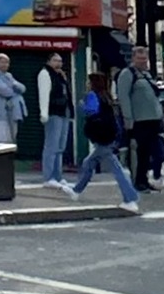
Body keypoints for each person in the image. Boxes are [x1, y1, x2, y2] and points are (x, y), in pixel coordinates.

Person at [60, 70, 140, 213]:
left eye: (88, 81)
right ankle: (76, 191)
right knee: (88, 163)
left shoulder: (92, 95)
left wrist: (81, 106)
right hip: (110, 135)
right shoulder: (106, 96)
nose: (86, 84)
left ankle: (130, 198)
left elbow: (91, 111)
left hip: (102, 138)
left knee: (116, 169)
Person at [116, 44, 164, 193]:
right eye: (140, 58)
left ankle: (145, 179)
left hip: (153, 120)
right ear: (133, 58)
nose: (143, 61)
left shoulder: (147, 74)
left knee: (154, 152)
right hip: (139, 121)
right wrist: (128, 119)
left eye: (145, 58)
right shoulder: (128, 74)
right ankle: (138, 181)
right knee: (140, 152)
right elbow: (123, 98)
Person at [36, 51, 72, 187]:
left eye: (60, 61)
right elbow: (44, 94)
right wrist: (43, 112)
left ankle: (58, 175)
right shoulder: (45, 74)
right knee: (51, 145)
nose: (59, 64)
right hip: (53, 112)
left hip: (64, 112)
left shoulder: (61, 76)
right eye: (56, 60)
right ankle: (48, 176)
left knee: (60, 146)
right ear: (49, 61)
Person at [0, 53, 26, 146]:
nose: (6, 65)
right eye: (3, 62)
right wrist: (14, 87)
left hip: (12, 113)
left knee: (12, 140)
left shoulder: (8, 75)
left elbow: (23, 88)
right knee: (2, 140)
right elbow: (6, 91)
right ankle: (1, 160)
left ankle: (9, 160)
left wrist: (14, 85)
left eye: (7, 63)